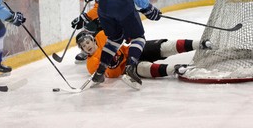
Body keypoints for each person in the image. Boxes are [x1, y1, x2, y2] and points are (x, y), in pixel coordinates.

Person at [75, 30, 212, 89]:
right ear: (82, 49)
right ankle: (175, 69)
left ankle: (199, 43)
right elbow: (105, 77)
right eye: (83, 46)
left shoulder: (101, 36)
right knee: (145, 68)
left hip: (133, 51)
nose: (87, 46)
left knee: (162, 47)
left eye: (88, 42)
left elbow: (119, 33)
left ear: (93, 40)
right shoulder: (91, 64)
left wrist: (127, 35)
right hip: (127, 69)